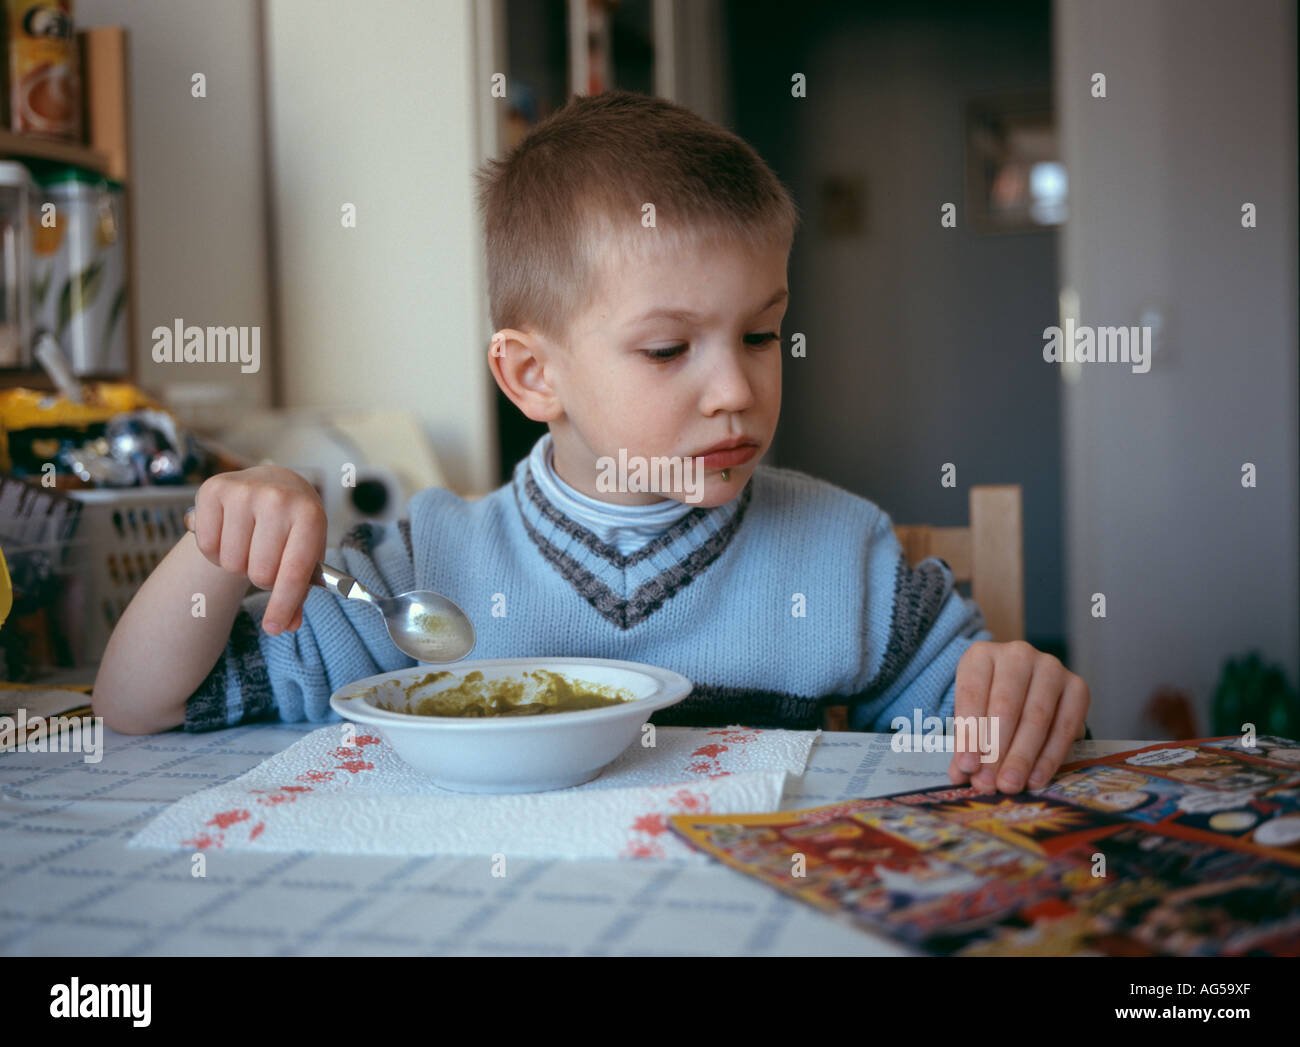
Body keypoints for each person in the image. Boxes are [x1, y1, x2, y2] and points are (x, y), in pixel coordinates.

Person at [93, 90, 1090, 795]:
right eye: (668, 348)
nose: (736, 388)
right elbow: (139, 707)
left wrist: (1020, 690)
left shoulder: (843, 559)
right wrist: (217, 541)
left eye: (759, 334)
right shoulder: (416, 579)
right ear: (535, 377)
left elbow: (975, 734)